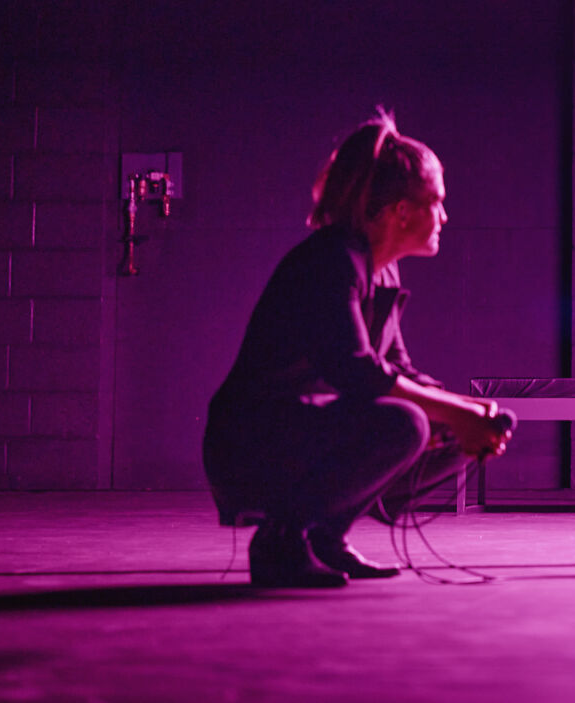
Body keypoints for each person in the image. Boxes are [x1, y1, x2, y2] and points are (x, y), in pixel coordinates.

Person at [203, 111, 512, 588]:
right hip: (251, 442)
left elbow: (398, 369)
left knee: (450, 424)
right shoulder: (332, 261)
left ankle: (324, 537)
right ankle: (280, 541)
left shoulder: (381, 269)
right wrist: (456, 411)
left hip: (302, 429)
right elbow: (356, 371)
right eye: (437, 202)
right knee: (408, 421)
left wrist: (472, 412)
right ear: (402, 211)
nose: (445, 217)